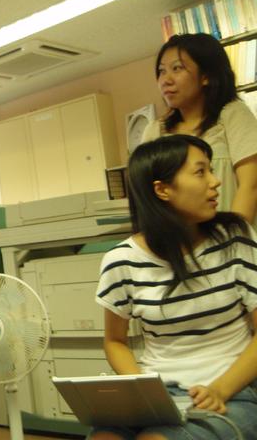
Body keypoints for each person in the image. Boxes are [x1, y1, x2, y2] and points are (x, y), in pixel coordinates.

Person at [90, 134, 257, 440]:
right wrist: (141, 389)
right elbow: (115, 341)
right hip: (161, 393)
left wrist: (220, 389)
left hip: (233, 390)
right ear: (162, 189)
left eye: (211, 170)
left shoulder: (235, 236)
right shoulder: (121, 260)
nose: (215, 182)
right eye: (200, 171)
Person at [142, 33, 257, 224]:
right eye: (161, 71)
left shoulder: (231, 114)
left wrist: (234, 241)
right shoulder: (154, 131)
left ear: (206, 76)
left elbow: (251, 186)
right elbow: (147, 199)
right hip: (180, 246)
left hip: (230, 241)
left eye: (177, 68)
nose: (166, 80)